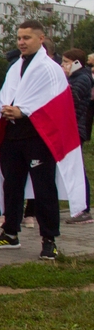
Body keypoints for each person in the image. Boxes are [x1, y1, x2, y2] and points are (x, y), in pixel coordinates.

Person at [0, 22, 86, 260]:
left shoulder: (50, 69)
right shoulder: (15, 67)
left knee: (44, 188)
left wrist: (23, 111)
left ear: (41, 39)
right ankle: (10, 233)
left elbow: (55, 105)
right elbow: (7, 94)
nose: (21, 42)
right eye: (19, 38)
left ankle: (49, 240)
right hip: (12, 137)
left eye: (26, 38)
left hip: (38, 139)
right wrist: (7, 109)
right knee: (12, 185)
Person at [61, 49, 93, 225]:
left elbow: (70, 100)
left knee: (77, 169)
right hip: (72, 128)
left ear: (76, 63)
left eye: (66, 62)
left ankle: (83, 208)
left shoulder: (81, 79)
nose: (63, 65)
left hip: (75, 129)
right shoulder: (75, 78)